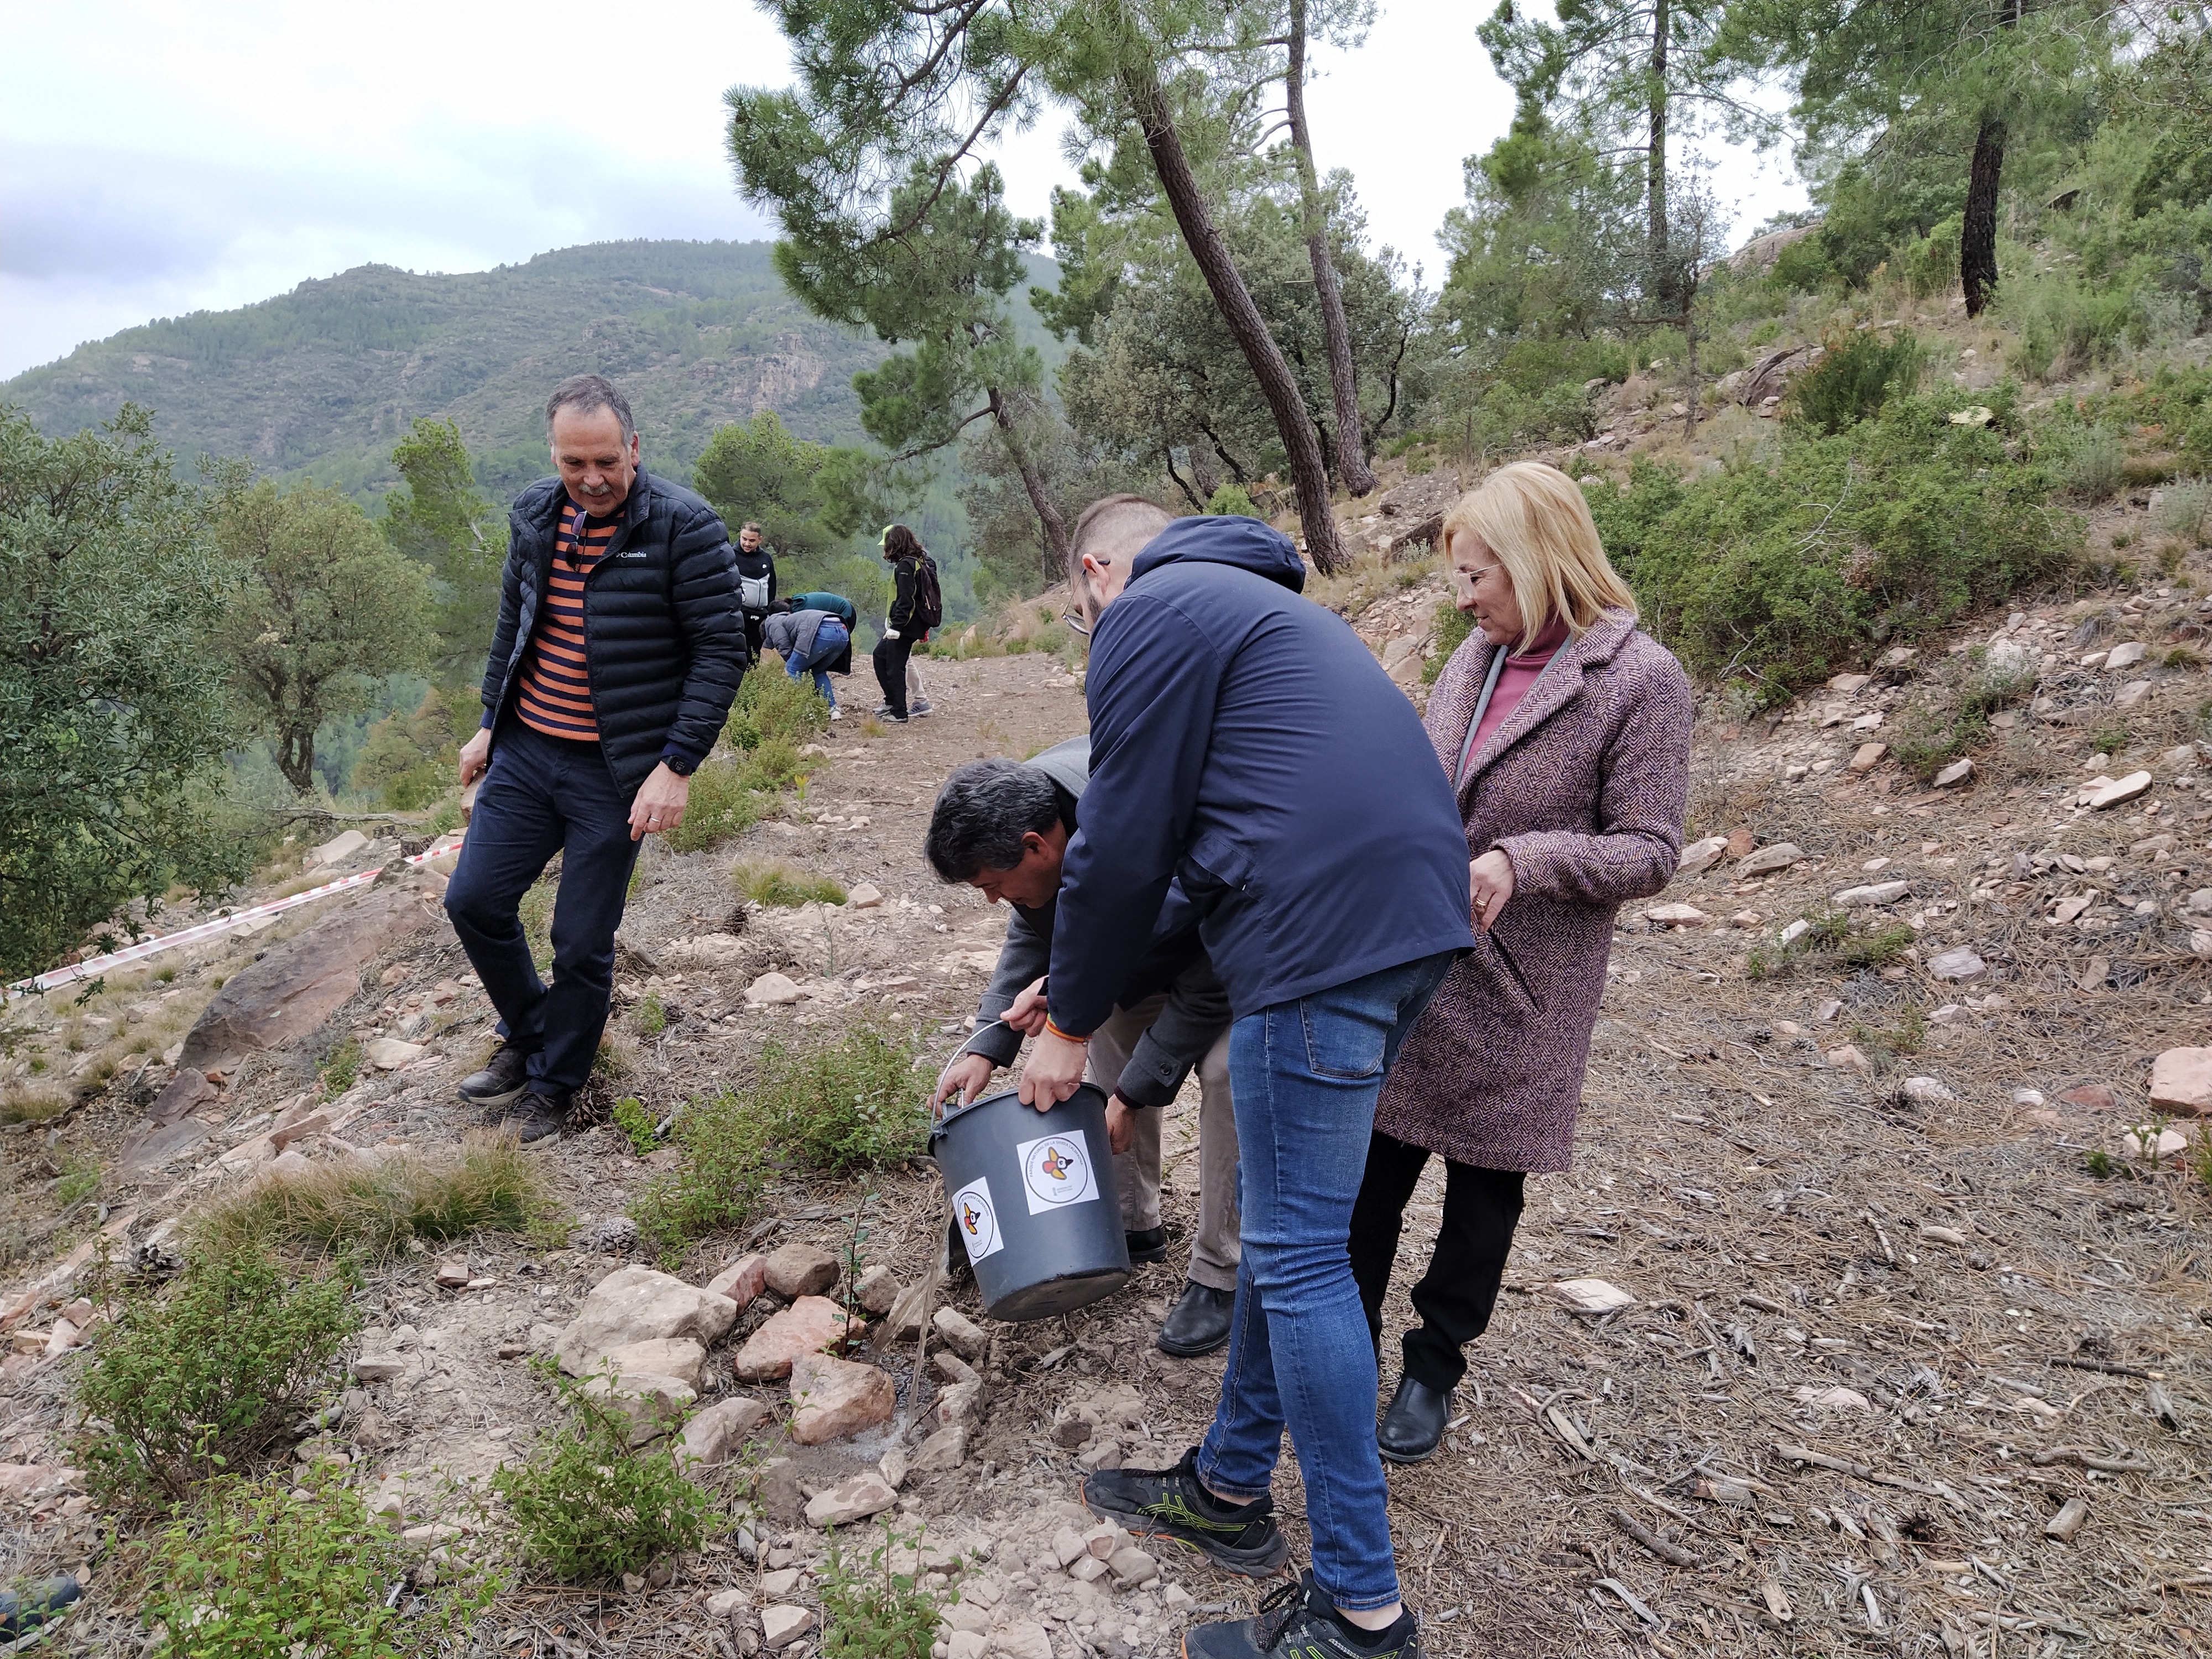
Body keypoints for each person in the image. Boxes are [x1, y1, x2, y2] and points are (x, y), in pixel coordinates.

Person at [1018, 497, 1476, 1659]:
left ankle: (1361, 1617)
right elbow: (1202, 854)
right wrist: (1074, 979)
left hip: (1317, 941)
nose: (1088, 632)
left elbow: (1120, 841)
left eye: (1082, 612)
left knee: (1303, 1258)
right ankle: (1226, 1490)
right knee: (1292, 1236)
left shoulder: (1148, 610)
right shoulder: (1255, 610)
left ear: (1092, 576)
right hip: (1407, 925)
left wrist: (1073, 1018)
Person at [1352, 462, 1692, 1461]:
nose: (1463, 600)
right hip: (1419, 965)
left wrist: (1521, 857)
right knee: (1369, 1175)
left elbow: (1652, 850)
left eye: (1477, 578)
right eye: (1457, 580)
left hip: (1525, 987)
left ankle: (1432, 1368)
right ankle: (1342, 1351)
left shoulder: (1641, 680)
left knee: (1482, 1195)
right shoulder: (1473, 660)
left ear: (1540, 564)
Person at [444, 374, 745, 1142]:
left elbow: (721, 651)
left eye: (607, 461)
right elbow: (514, 622)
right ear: (554, 456)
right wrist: (489, 723)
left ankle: (556, 1084)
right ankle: (533, 1030)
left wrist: (676, 767)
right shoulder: (536, 515)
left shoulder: (686, 526)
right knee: (473, 902)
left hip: (617, 773)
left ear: (634, 448)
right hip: (526, 751)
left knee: (580, 942)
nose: (592, 479)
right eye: (575, 463)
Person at [927, 743, 1241, 1356]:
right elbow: (1036, 927)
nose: (992, 900)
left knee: (1230, 1076)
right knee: (1107, 1050)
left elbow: (1208, 979)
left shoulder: (1144, 815)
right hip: (1134, 959)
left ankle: (1220, 1273)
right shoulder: (1036, 810)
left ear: (1036, 846)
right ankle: (1128, 1223)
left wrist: (1134, 1091)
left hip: (1224, 956)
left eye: (992, 885)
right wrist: (989, 1043)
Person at [870, 524, 941, 722]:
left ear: (896, 544)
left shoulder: (905, 566)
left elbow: (906, 599)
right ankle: (892, 702)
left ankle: (899, 713)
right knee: (880, 655)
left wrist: (896, 628)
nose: (886, 550)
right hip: (915, 623)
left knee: (895, 666)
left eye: (888, 546)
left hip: (906, 625)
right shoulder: (921, 560)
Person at [760, 602, 851, 719]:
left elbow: (784, 646)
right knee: (818, 671)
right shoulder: (789, 619)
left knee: (791, 669)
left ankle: (805, 712)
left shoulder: (772, 621)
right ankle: (833, 709)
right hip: (842, 630)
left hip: (824, 631)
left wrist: (797, 666)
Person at [733, 521, 778, 661]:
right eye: (744, 539)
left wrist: (770, 611)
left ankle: (753, 680)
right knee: (738, 653)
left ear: (760, 540)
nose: (747, 543)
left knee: (755, 655)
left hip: (760, 616)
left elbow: (772, 585)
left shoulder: (766, 558)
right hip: (739, 615)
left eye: (752, 540)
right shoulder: (730, 555)